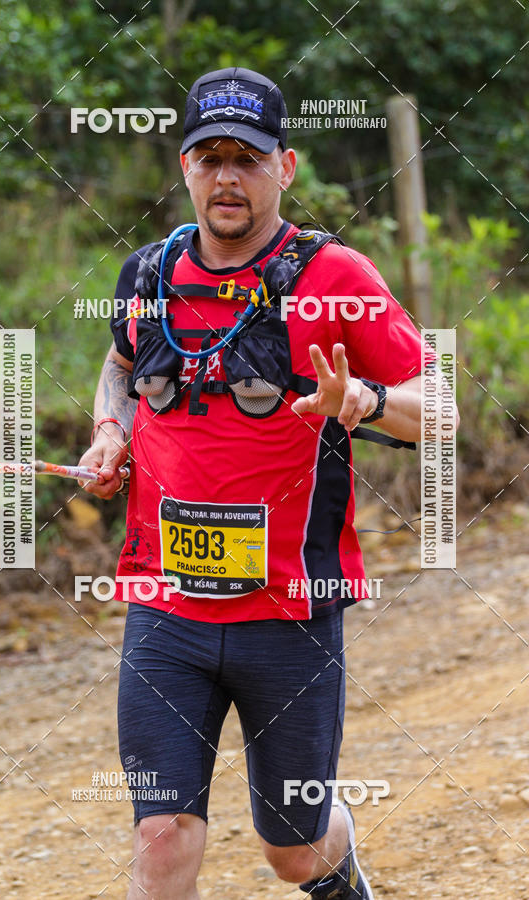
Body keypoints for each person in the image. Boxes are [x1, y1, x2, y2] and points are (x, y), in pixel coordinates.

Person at [78, 67, 458, 900]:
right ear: (183, 166)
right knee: (161, 830)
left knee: (293, 844)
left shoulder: (338, 279)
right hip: (166, 609)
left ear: (283, 167)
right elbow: (118, 368)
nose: (226, 177)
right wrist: (111, 431)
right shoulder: (146, 276)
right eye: (208, 157)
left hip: (288, 612)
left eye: (246, 159)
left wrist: (363, 400)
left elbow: (442, 409)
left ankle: (337, 867)